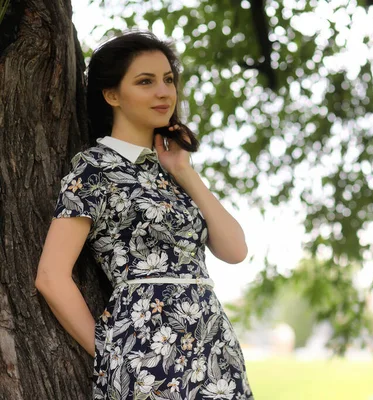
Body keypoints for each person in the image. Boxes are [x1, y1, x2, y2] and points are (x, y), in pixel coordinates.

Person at [34, 29, 254, 399]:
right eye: (146, 81)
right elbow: (51, 277)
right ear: (112, 95)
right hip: (144, 356)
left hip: (213, 348)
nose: (164, 91)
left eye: (168, 80)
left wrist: (184, 171)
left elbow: (234, 250)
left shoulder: (173, 171)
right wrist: (110, 355)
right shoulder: (94, 169)